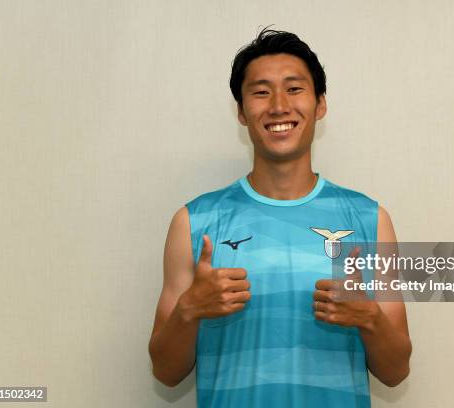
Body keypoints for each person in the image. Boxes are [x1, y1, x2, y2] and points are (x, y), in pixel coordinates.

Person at [148, 26, 412, 407]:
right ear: (241, 111)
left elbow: (396, 371)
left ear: (320, 103)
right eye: (259, 92)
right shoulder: (194, 222)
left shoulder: (370, 219)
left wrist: (368, 318)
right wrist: (189, 310)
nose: (277, 106)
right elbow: (165, 374)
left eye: (294, 88)